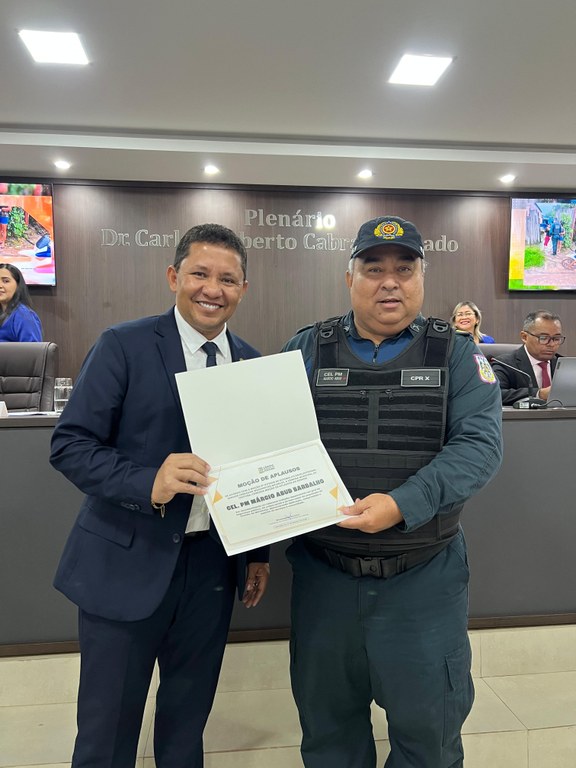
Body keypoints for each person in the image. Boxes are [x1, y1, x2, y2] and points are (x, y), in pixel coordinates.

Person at [282, 215, 503, 768]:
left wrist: (403, 504)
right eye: (373, 269)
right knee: (328, 734)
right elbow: (271, 449)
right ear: (349, 278)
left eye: (404, 269)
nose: (389, 282)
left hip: (423, 581)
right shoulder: (306, 348)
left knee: (429, 736)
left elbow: (478, 448)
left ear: (422, 278)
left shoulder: (457, 354)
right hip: (324, 579)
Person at [50, 223, 270, 768]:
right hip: (127, 561)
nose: (212, 289)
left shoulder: (253, 364)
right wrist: (148, 481)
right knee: (107, 730)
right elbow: (70, 445)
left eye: (227, 279)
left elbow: (258, 469)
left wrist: (257, 553)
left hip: (211, 570)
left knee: (186, 723)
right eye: (199, 274)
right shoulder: (123, 345)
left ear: (243, 289)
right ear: (174, 277)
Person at [490, 310, 565, 405]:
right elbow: (495, 394)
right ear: (524, 337)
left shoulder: (563, 364)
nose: (551, 344)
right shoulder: (505, 364)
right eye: (543, 338)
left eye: (556, 339)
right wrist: (539, 394)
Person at [0, 263, 43, 341]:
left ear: (18, 285)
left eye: (5, 281)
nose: (0, 285)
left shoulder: (23, 315)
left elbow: (32, 348)